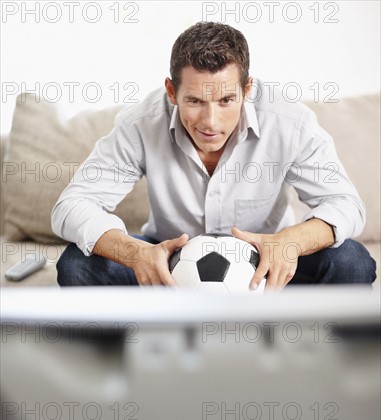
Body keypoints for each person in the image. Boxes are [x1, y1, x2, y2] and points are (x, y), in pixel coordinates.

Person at [52, 21, 376, 289]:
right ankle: (132, 358)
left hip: (266, 266)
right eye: (194, 101)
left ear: (247, 90)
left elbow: (346, 205)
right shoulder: (140, 123)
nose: (210, 122)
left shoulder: (290, 122)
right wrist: (135, 253)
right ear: (171, 91)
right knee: (77, 264)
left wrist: (291, 241)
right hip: (169, 269)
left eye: (225, 100)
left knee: (352, 261)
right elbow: (71, 207)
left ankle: (316, 360)